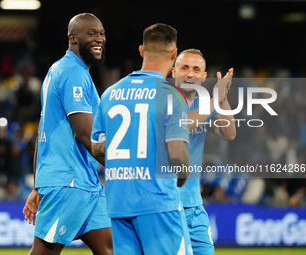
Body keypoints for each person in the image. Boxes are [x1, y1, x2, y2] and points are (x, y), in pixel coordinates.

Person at [91, 23, 192, 255]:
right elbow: (177, 153)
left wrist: (124, 166)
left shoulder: (109, 94)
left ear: (141, 51)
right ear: (175, 54)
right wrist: (182, 177)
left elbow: (97, 147)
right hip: (158, 202)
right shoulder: (171, 95)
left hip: (118, 202)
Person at [22, 13, 112, 255]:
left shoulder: (60, 70)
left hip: (85, 184)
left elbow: (44, 133)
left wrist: (37, 186)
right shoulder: (74, 74)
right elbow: (85, 134)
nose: (99, 39)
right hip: (68, 183)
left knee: (111, 249)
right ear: (73, 38)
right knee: (44, 252)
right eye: (91, 34)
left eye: (101, 33)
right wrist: (124, 167)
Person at [171, 48, 236, 255]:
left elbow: (229, 133)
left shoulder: (203, 104)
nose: (190, 74)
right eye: (185, 68)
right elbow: (182, 123)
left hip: (194, 202)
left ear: (203, 76)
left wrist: (222, 97)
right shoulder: (164, 99)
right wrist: (215, 101)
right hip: (168, 203)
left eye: (196, 69)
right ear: (174, 72)